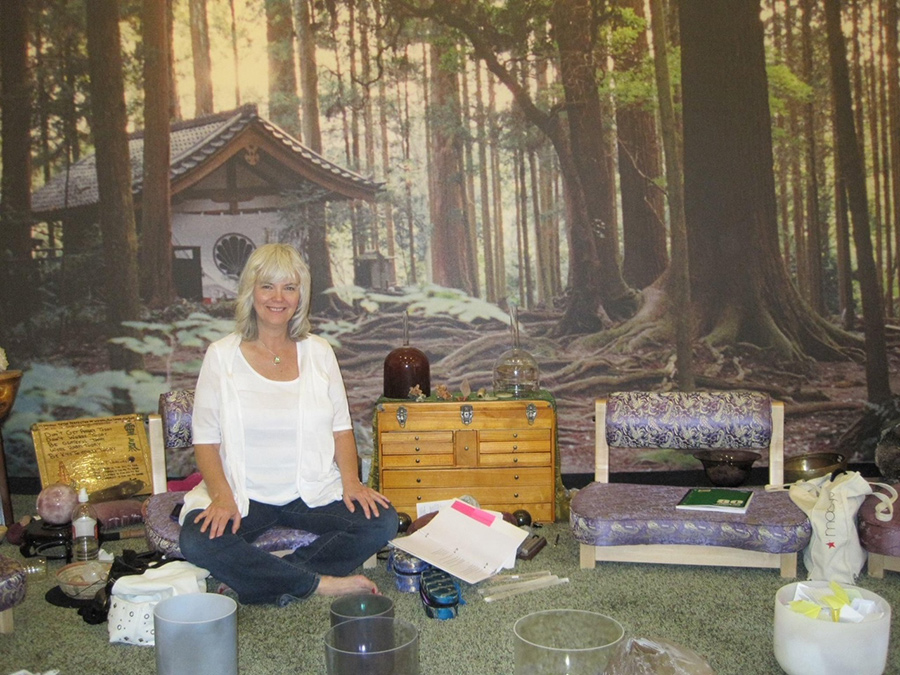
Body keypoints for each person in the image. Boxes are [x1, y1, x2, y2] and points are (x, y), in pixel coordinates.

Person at [179, 243, 398, 606]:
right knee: (197, 540)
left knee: (381, 520)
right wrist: (221, 497)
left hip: (309, 492)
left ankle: (276, 579)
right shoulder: (221, 356)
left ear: (301, 297)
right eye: (267, 286)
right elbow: (205, 440)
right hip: (243, 494)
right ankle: (319, 583)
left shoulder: (319, 352)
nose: (278, 298)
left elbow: (341, 429)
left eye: (289, 288)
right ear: (251, 291)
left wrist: (352, 483)